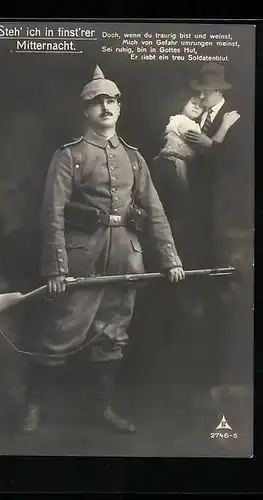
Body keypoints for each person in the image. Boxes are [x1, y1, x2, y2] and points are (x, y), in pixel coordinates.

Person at [22, 65, 185, 434]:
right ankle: (33, 408)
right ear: (86, 111)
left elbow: (155, 210)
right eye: (98, 102)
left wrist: (171, 258)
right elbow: (52, 213)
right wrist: (56, 268)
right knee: (61, 333)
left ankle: (101, 409)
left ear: (119, 108)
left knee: (113, 335)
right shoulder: (69, 156)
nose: (106, 108)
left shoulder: (133, 157)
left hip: (127, 256)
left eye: (112, 101)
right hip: (82, 260)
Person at [151, 91, 239, 265]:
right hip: (171, 167)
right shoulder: (182, 122)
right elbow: (207, 147)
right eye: (193, 102)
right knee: (176, 212)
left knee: (179, 213)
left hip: (177, 166)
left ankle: (179, 257)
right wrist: (225, 125)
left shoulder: (190, 123)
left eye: (200, 106)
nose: (197, 107)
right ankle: (171, 259)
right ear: (183, 103)